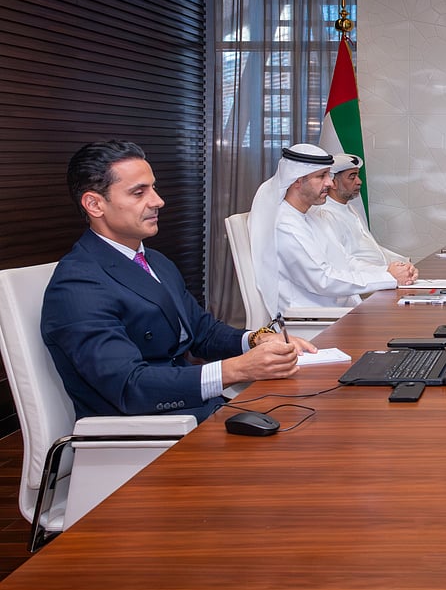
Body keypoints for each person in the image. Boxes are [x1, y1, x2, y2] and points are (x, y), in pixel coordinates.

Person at [41, 140, 316, 422]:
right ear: (94, 204)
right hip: (149, 429)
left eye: (153, 188)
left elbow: (202, 332)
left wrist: (257, 339)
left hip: (196, 410)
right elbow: (130, 386)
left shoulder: (155, 261)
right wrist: (236, 369)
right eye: (139, 192)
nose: (158, 201)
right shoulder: (77, 284)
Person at [248, 143, 417, 316]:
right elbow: (323, 279)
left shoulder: (312, 215)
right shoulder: (285, 225)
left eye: (328, 175)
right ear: (297, 180)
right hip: (313, 321)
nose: (329, 183)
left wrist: (391, 271)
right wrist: (387, 278)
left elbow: (345, 260)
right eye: (321, 176)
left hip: (340, 312)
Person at [325, 153, 412, 267]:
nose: (359, 181)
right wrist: (385, 272)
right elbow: (343, 261)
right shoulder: (325, 214)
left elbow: (372, 249)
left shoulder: (350, 209)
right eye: (352, 177)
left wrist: (402, 262)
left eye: (357, 176)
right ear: (333, 183)